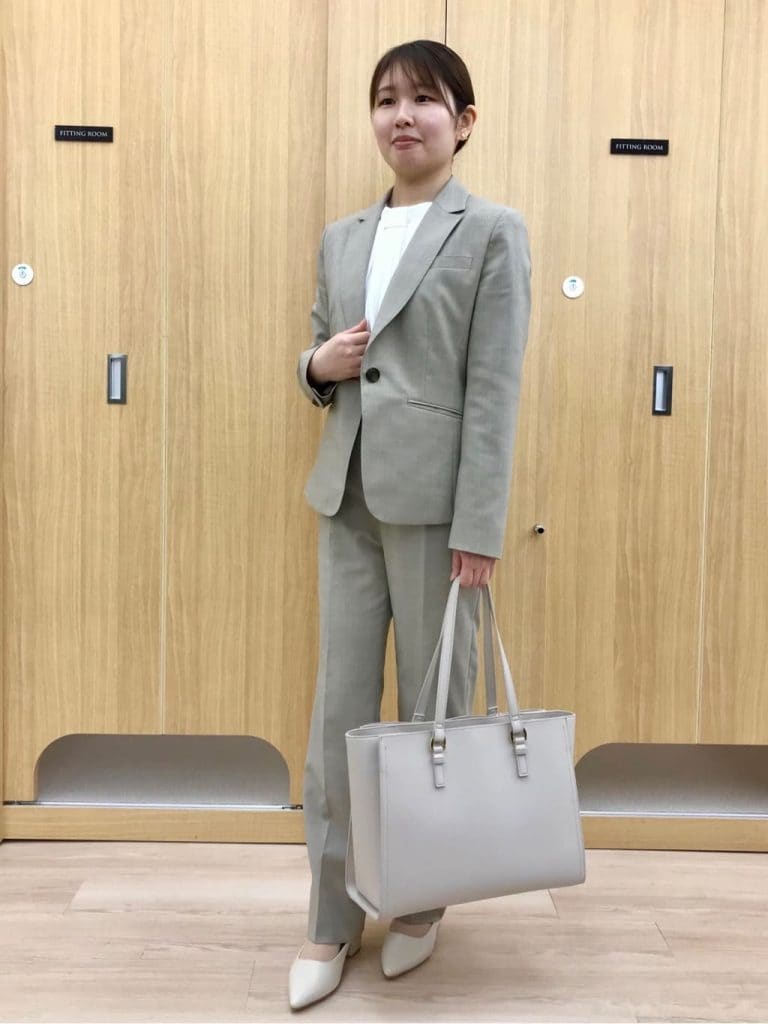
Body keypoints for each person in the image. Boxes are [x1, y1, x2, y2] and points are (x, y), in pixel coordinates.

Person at [289, 39, 531, 1010]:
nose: (402, 115)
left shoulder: (493, 231)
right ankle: (329, 916)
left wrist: (482, 524)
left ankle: (422, 906)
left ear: (462, 121)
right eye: (386, 99)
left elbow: (494, 389)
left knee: (434, 716)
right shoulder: (342, 236)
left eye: (424, 99)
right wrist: (317, 367)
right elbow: (321, 350)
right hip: (346, 498)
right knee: (338, 718)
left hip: (439, 514)